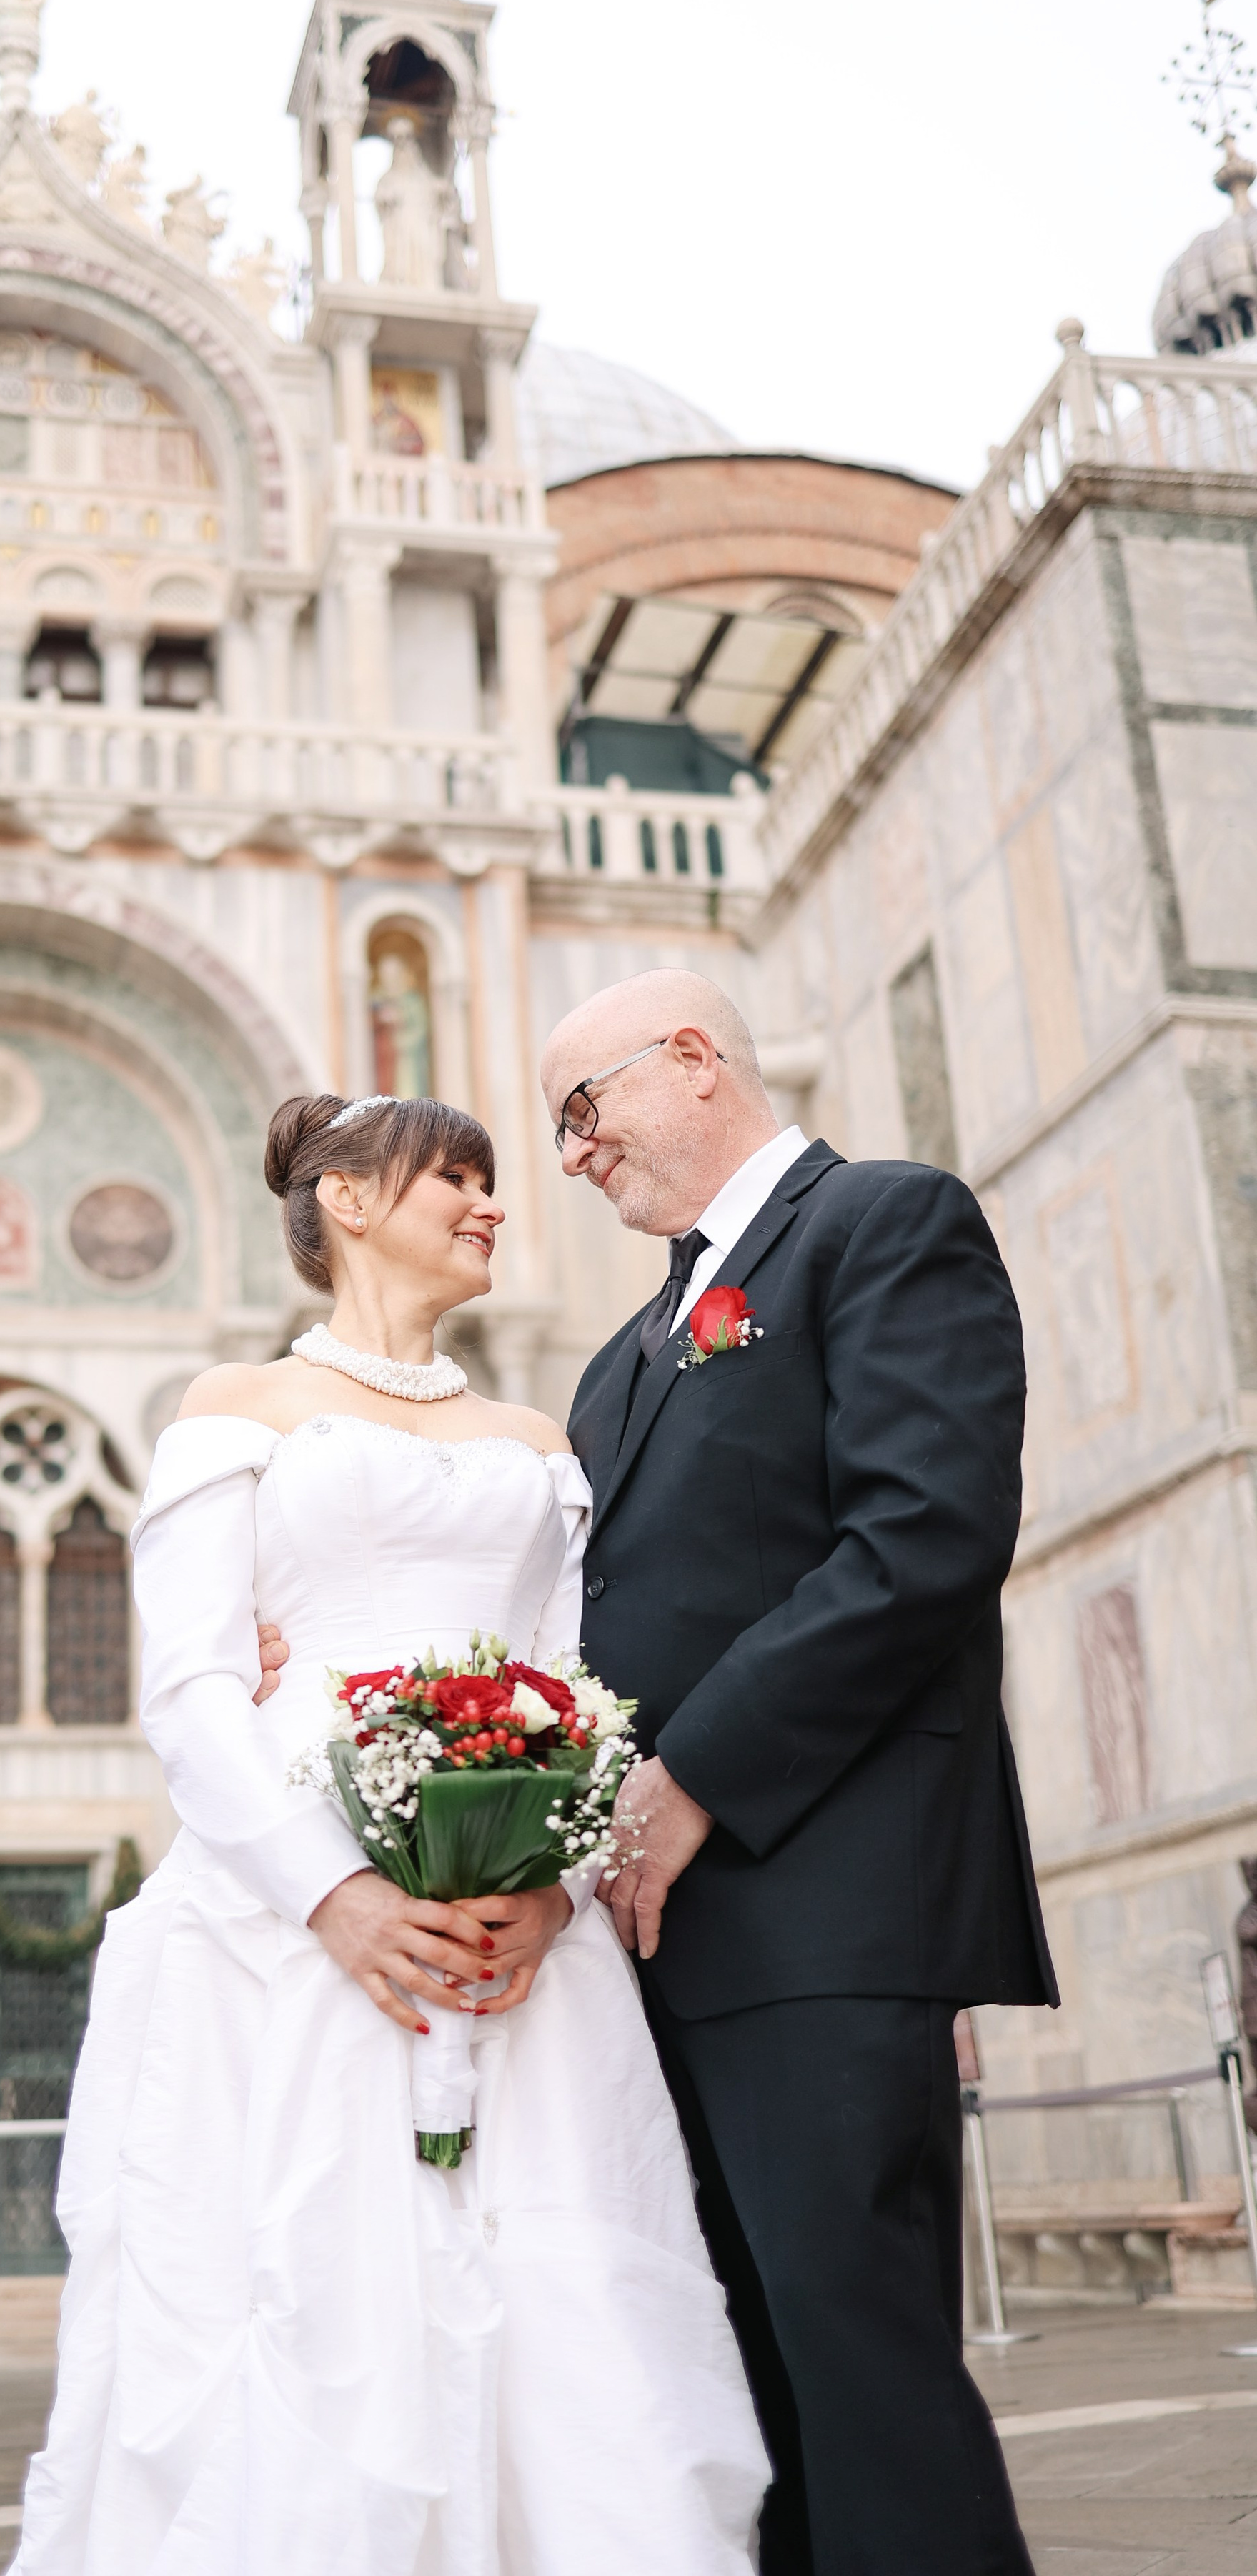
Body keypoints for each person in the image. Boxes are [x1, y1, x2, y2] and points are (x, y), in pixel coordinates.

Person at [6, 1088, 767, 2575]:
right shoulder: (233, 1409)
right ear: (346, 1201)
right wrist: (333, 1895)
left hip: (513, 1928)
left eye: (492, 1184)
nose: (491, 1205)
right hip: (285, 1908)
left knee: (561, 2282)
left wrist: (546, 1888)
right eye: (457, 1179)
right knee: (310, 2282)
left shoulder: (535, 1438)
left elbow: (569, 1688)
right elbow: (189, 1688)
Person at [539, 969, 1057, 2576]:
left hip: (828, 1910)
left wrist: (692, 1773)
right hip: (659, 1947)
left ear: (691, 1061)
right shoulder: (617, 1357)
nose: (568, 1155)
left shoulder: (881, 1225)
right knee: (735, 2378)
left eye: (581, 1109)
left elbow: (921, 1537)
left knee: (854, 2364)